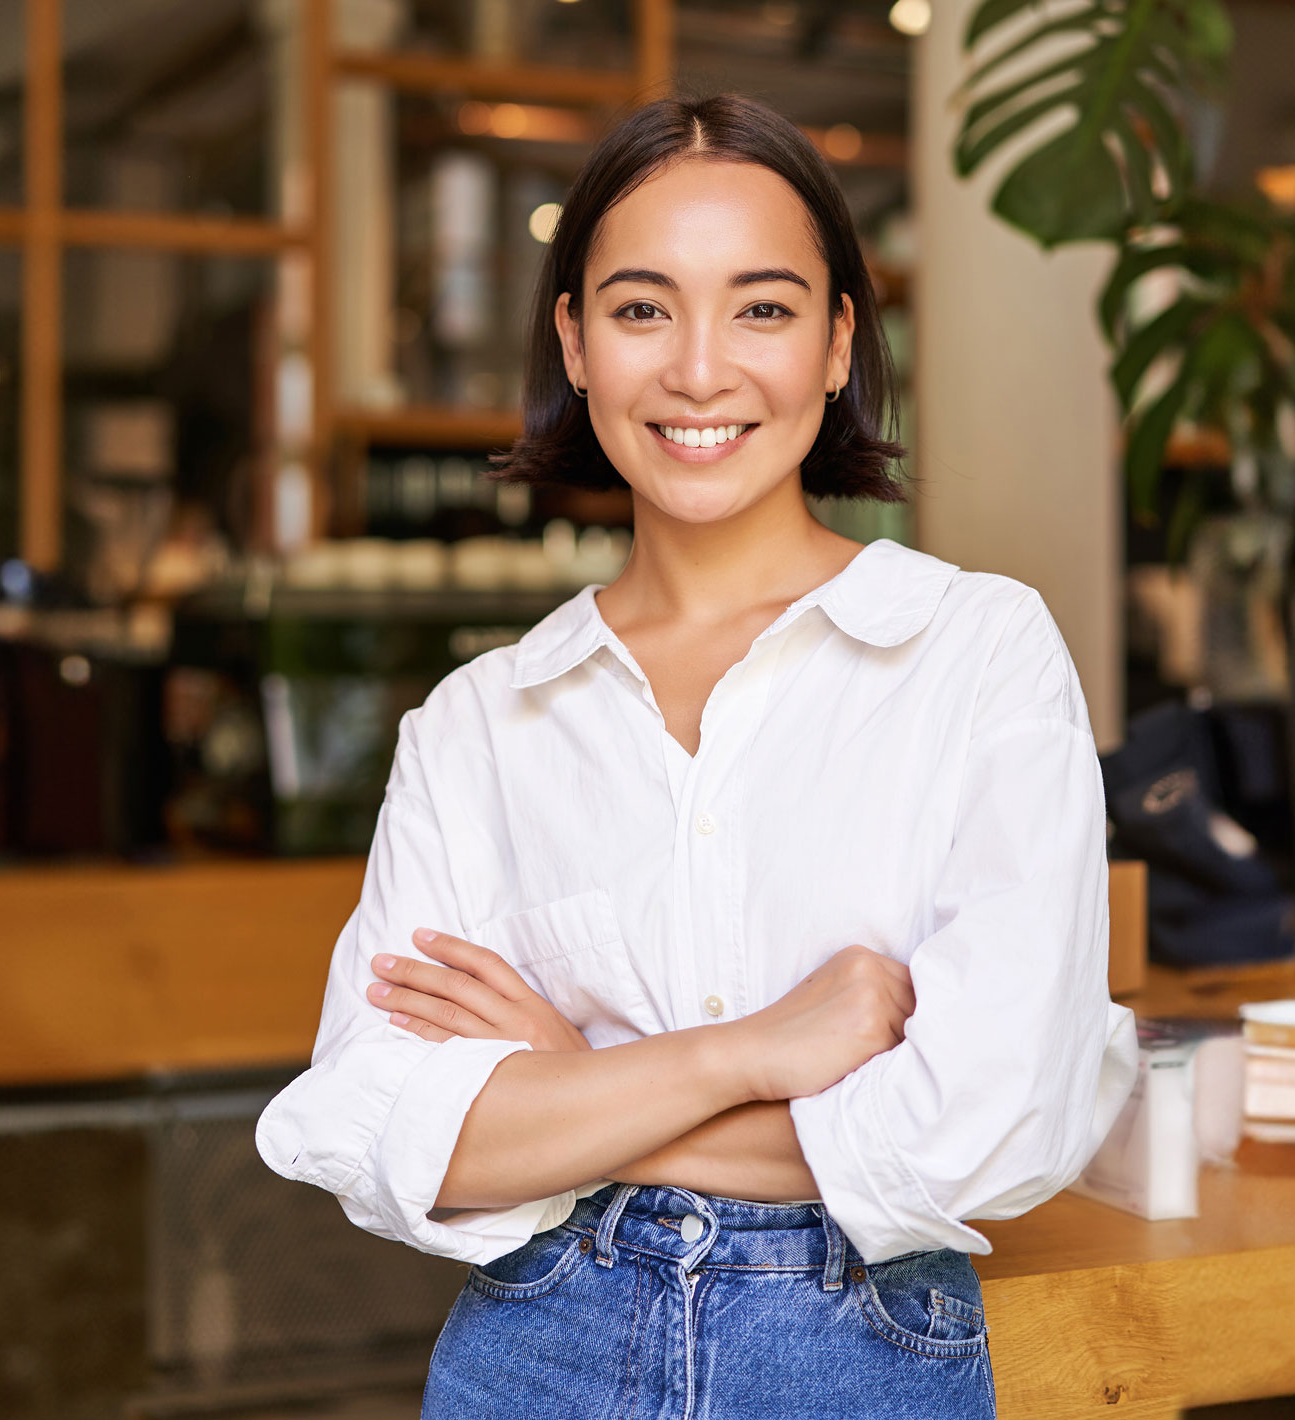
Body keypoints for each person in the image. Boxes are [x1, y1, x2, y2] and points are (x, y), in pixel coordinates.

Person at [255, 93, 1138, 1420]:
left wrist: (568, 1083)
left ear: (840, 340)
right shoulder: (481, 723)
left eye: (765, 308)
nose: (700, 371)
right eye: (642, 308)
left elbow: (990, 1128)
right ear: (574, 340)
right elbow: (378, 1131)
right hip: (534, 1357)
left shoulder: (976, 655)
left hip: (864, 1354)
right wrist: (757, 1052)